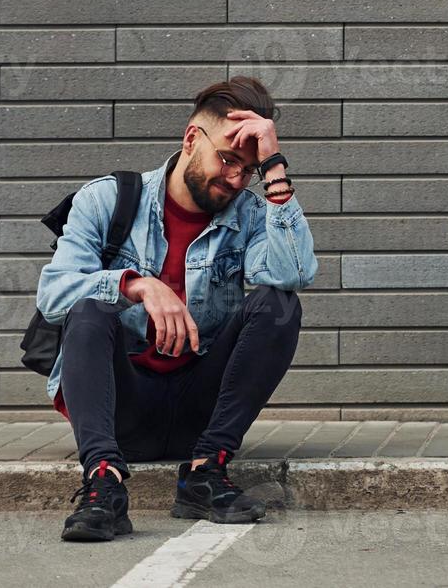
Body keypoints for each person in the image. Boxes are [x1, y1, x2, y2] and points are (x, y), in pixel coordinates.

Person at [36, 76, 316, 540]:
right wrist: (135, 285)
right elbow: (52, 294)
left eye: (247, 169)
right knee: (88, 308)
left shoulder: (246, 214)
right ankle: (103, 482)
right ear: (191, 139)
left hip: (199, 411)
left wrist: (275, 167)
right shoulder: (107, 199)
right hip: (121, 409)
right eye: (228, 160)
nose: (235, 178)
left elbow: (294, 274)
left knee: (278, 304)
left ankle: (206, 474)